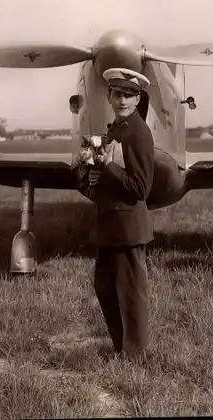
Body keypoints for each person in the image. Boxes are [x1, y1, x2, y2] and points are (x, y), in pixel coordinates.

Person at [78, 67, 154, 361]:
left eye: (129, 95)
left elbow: (141, 188)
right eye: (117, 94)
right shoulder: (116, 128)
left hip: (127, 226)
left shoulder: (138, 133)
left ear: (137, 99)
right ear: (108, 95)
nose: (122, 100)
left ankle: (134, 359)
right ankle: (124, 349)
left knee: (131, 294)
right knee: (105, 286)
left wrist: (109, 169)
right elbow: (110, 174)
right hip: (111, 224)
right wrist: (92, 176)